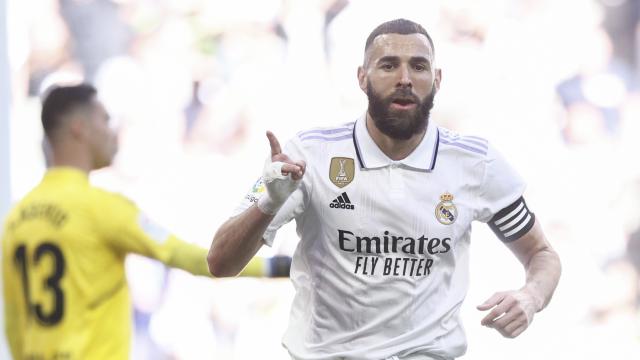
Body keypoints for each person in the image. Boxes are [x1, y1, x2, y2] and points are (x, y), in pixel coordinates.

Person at [207, 18, 562, 360]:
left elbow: (542, 255)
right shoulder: (308, 155)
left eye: (419, 67)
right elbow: (220, 262)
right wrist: (269, 202)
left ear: (437, 79)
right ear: (362, 78)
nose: (405, 79)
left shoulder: (475, 163)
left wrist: (531, 297)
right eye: (389, 66)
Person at [1, 84, 290, 360]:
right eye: (105, 120)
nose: (113, 132)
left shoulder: (16, 219)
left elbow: (13, 321)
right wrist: (278, 266)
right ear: (80, 129)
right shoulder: (102, 208)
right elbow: (191, 258)